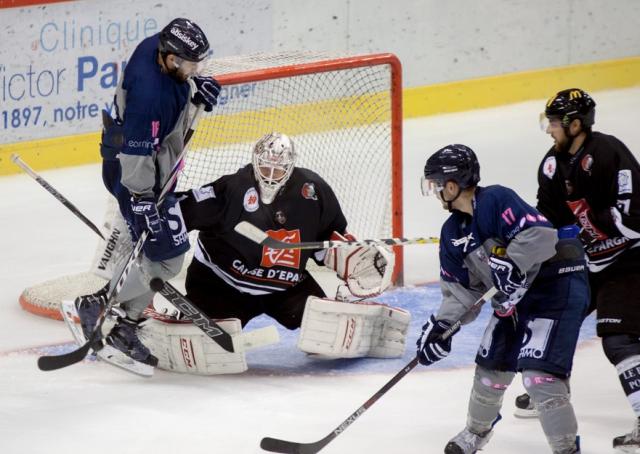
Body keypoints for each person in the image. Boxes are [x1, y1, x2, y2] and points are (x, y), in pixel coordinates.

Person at [168, 132, 409, 362]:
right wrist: (156, 221)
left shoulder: (312, 192)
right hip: (222, 287)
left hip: (284, 288)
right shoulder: (231, 190)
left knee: (329, 330)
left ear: (291, 166)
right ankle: (186, 318)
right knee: (201, 341)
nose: (271, 174)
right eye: (265, 167)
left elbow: (326, 239)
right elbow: (182, 210)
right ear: (254, 161)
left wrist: (348, 256)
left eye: (279, 168)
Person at [416, 144, 589, 454]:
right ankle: (475, 432)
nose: (436, 192)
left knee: (540, 379)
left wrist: (513, 260)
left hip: (554, 285)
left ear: (452, 185)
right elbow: (462, 291)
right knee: (490, 372)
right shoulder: (452, 231)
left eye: (437, 184)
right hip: (514, 300)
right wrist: (443, 324)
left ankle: (566, 449)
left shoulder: (495, 199)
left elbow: (542, 236)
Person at [72, 18, 221, 367]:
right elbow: (136, 155)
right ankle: (97, 302)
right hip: (133, 177)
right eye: (188, 64)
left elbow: (173, 108)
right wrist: (140, 199)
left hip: (151, 174)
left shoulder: (160, 49)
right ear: (168, 57)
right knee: (168, 258)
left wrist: (195, 91)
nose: (192, 69)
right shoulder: (148, 95)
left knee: (159, 255)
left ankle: (126, 325)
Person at [534, 88, 640, 452]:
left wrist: (590, 225)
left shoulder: (610, 153)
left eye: (554, 123)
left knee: (619, 337)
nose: (549, 130)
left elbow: (636, 217)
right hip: (591, 262)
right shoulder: (553, 165)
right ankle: (550, 394)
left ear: (575, 125)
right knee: (554, 315)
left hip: (632, 259)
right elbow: (545, 222)